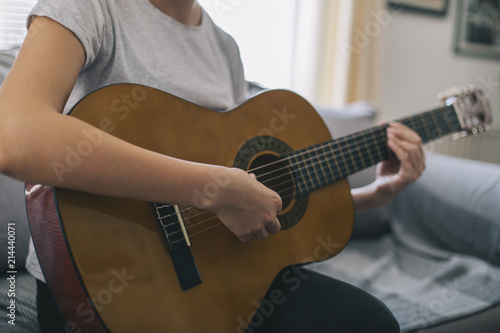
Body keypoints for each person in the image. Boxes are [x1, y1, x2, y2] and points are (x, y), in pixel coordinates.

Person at [0, 0, 425, 332]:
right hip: (99, 296)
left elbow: (249, 196)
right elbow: (14, 136)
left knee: (369, 322)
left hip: (220, 277)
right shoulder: (93, 8)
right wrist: (214, 187)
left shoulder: (224, 46)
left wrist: (372, 196)